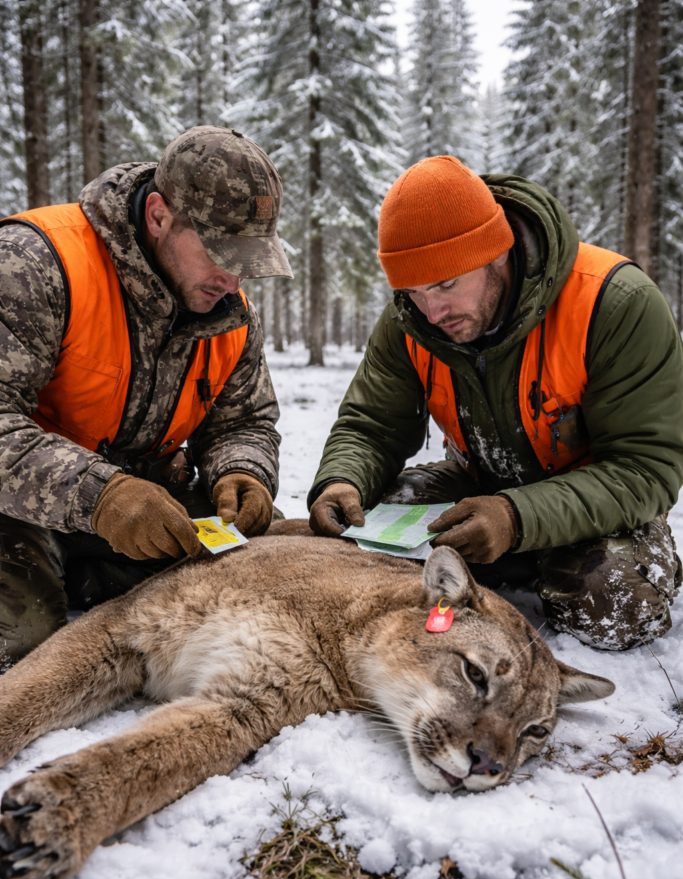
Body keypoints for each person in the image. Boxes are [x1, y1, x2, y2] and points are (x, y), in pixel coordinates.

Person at [308, 156, 683, 651]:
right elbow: (372, 424)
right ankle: (506, 561)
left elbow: (645, 467)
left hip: (594, 504)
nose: (432, 312)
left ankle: (543, 561)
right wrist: (342, 479)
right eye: (413, 292)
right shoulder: (410, 321)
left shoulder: (613, 303)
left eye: (447, 284)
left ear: (497, 253)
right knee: (361, 536)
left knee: (614, 602)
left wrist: (516, 517)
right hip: (476, 487)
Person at [0, 125, 292, 666]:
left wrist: (242, 471)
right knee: (26, 642)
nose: (233, 280)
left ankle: (85, 573)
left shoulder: (228, 309)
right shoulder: (34, 262)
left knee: (266, 562)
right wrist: (102, 496)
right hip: (18, 507)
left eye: (247, 260)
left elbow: (244, 420)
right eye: (220, 252)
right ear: (158, 216)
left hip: (145, 502)